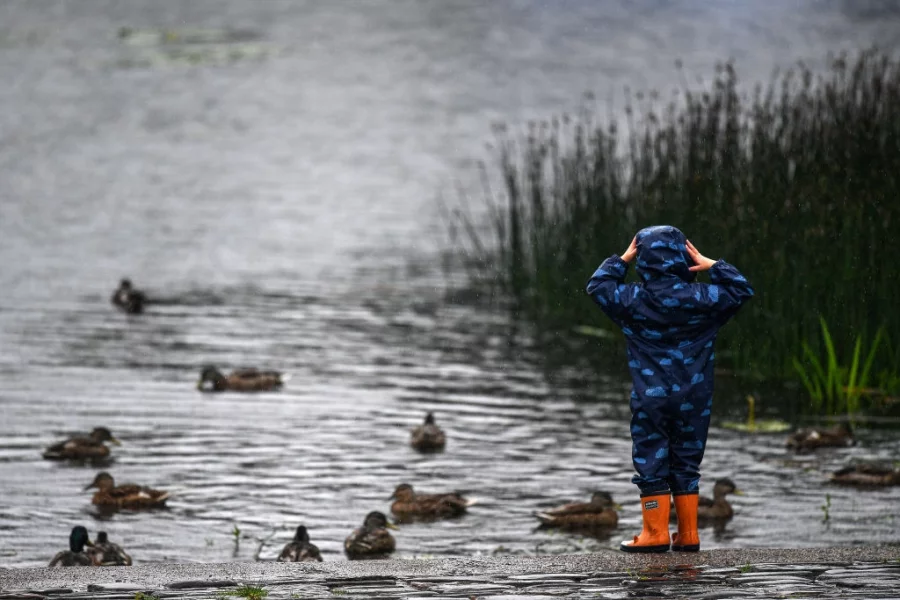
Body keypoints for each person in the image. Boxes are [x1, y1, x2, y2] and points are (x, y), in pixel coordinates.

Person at [585, 225, 753, 553]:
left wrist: (622, 260)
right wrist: (713, 265)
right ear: (684, 257)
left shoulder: (633, 299)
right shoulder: (704, 298)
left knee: (652, 460)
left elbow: (598, 286)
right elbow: (741, 290)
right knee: (687, 458)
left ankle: (655, 532)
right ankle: (688, 534)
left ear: (643, 260)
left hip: (652, 397)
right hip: (696, 396)